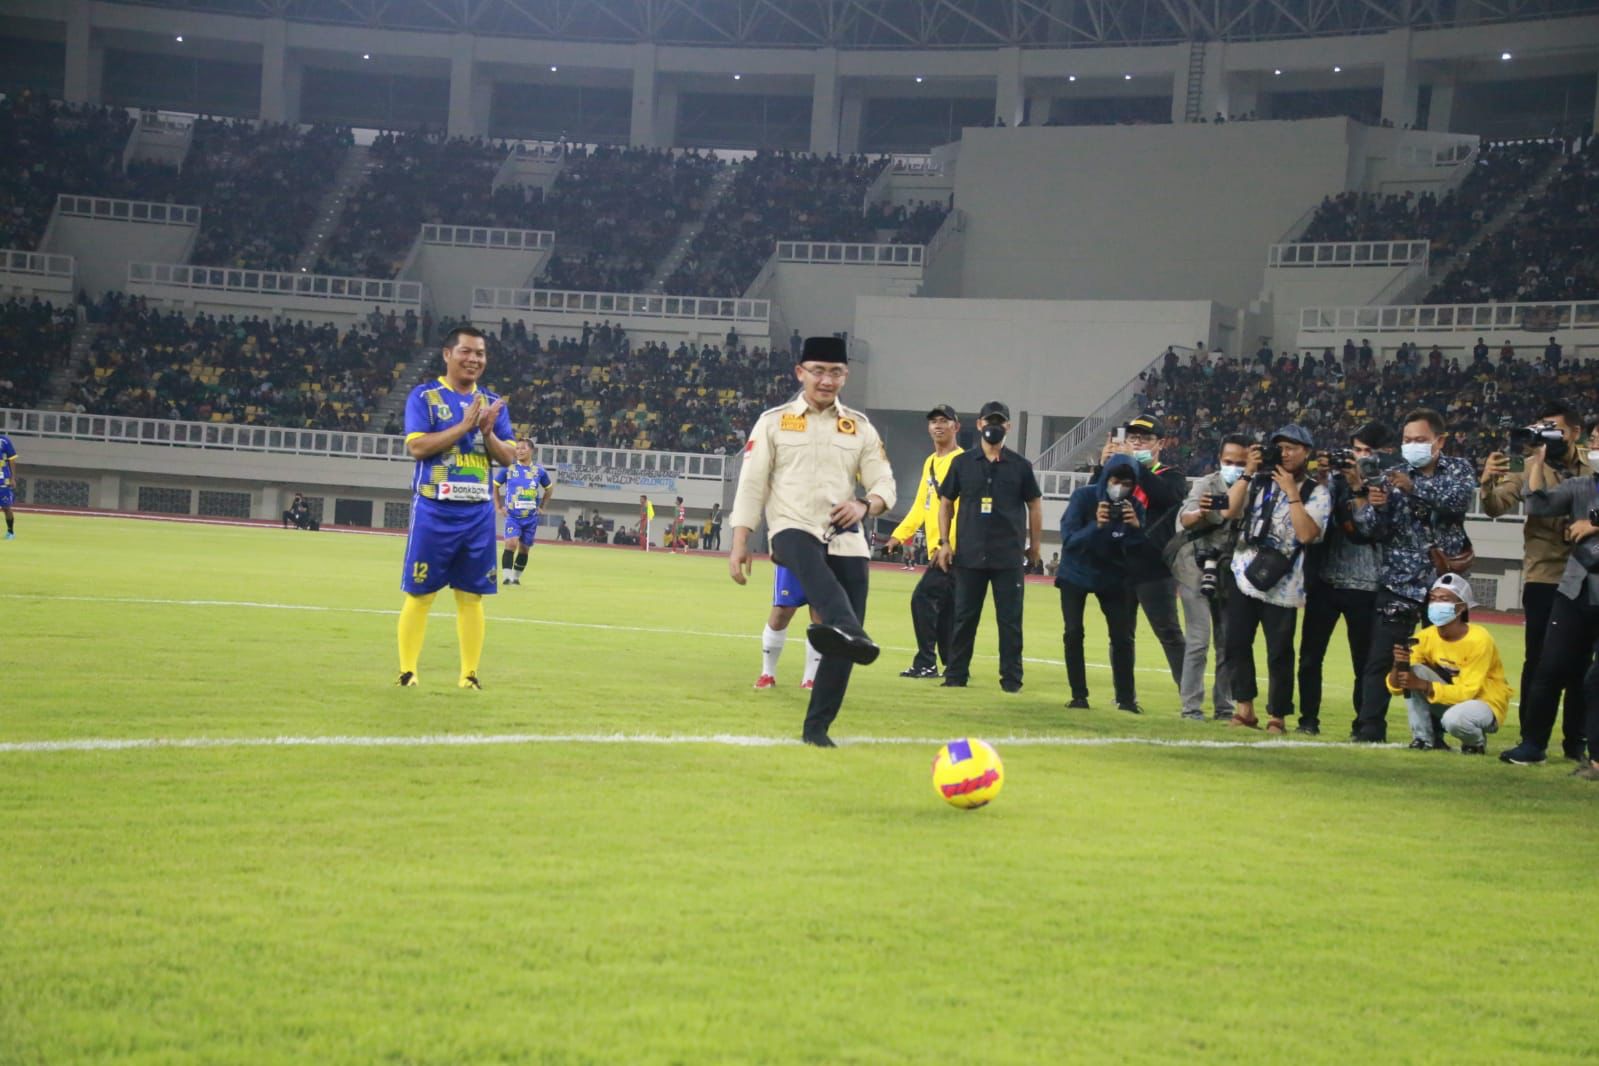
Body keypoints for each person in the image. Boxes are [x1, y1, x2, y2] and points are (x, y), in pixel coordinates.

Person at [728, 336, 896, 748]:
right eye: (818, 370)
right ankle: (853, 629)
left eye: (835, 372)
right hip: (792, 528)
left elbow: (884, 482)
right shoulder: (773, 421)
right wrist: (741, 540)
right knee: (830, 598)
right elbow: (751, 484)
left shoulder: (859, 426)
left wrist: (866, 504)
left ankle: (816, 729)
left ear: (846, 376)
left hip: (846, 538)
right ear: (800, 372)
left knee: (842, 643)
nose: (826, 380)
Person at [395, 325, 516, 690]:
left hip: (477, 513)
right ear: (448, 354)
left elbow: (509, 457)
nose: (473, 359)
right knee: (420, 591)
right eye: (466, 351)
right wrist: (463, 425)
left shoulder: (493, 403)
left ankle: (469, 675)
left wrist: (486, 432)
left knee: (472, 594)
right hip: (435, 508)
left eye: (479, 353)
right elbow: (417, 447)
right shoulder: (425, 396)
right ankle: (408, 672)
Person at [1350, 409, 1475, 743]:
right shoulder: (1390, 474)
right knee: (1381, 659)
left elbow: (1458, 501)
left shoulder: (1459, 470)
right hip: (1399, 581)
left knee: (1443, 661)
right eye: (1407, 440)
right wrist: (1375, 505)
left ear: (1440, 441)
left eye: (1420, 440)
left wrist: (1414, 487)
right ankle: (1369, 729)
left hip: (1443, 585)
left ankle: (1438, 732)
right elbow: (1373, 531)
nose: (1412, 446)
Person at [1480, 402, 1590, 763]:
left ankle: (1577, 740)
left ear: (1574, 432)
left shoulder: (1592, 464)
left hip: (1588, 574)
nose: (1545, 433)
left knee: (1582, 666)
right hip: (1546, 573)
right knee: (1542, 661)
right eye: (1541, 426)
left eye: (1553, 427)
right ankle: (1532, 736)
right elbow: (1497, 506)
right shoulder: (1528, 465)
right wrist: (1486, 484)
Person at [1224, 425, 1330, 733]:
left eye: (1292, 448)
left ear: (1307, 453)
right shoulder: (1257, 482)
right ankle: (1244, 710)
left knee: (1280, 651)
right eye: (1280, 447)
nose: (1284, 453)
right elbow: (1230, 511)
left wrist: (1292, 494)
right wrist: (1247, 472)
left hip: (1284, 581)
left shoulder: (1316, 492)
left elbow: (1308, 534)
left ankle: (1278, 716)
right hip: (1243, 569)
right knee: (1236, 644)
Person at [934, 401, 1043, 693]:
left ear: (1008, 426)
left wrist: (1034, 545)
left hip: (1008, 555)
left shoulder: (1020, 466)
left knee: (1010, 622)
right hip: (968, 554)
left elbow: (1034, 505)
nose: (994, 426)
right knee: (963, 618)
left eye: (1000, 422)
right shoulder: (963, 463)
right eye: (989, 421)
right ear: (980, 424)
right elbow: (946, 504)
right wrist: (944, 543)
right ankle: (956, 675)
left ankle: (1011, 680)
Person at [1297, 423, 1390, 736]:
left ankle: (1362, 723)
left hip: (1366, 584)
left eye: (1367, 451)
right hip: (1325, 580)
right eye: (1356, 449)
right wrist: (1323, 478)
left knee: (1363, 661)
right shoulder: (1332, 481)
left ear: (1383, 454)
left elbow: (1370, 529)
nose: (1359, 456)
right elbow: (1317, 519)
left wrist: (1359, 487)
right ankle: (1308, 719)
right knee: (1310, 657)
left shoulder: (1387, 485)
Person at [1056, 454, 1146, 712]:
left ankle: (1126, 699)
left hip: (1114, 576)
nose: (1121, 488)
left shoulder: (1135, 506)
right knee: (1073, 631)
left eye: (1127, 483)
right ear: (1106, 478)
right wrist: (1097, 525)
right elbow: (1070, 540)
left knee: (1122, 636)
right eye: (1116, 480)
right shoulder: (1083, 498)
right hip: (1075, 572)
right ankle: (1078, 696)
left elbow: (1138, 550)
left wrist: (1136, 529)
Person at [1170, 434, 1250, 722]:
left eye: (1241, 463)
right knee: (1199, 639)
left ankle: (1224, 705)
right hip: (1196, 566)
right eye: (1229, 462)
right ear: (1220, 460)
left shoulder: (1256, 487)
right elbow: (1184, 518)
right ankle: (1191, 707)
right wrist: (1202, 510)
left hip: (1234, 568)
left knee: (1227, 642)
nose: (1234, 467)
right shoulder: (1207, 483)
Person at [1388, 573, 1510, 754]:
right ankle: (1423, 739)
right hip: (1449, 698)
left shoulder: (1479, 639)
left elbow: (1469, 691)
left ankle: (1475, 742)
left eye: (1444, 600)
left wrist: (1423, 684)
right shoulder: (1425, 637)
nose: (1436, 604)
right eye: (1433, 599)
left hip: (1484, 703)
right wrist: (1399, 665)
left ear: (1461, 607)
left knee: (1454, 719)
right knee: (1415, 670)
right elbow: (1396, 688)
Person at [885, 404, 964, 679]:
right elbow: (922, 505)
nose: (938, 425)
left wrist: (947, 545)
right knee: (946, 611)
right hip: (941, 549)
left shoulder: (963, 462)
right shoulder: (930, 462)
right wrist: (898, 535)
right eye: (933, 421)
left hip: (951, 551)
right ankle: (954, 665)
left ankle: (926, 662)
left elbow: (960, 509)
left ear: (957, 427)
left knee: (922, 599)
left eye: (944, 421)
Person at [1107, 413, 1187, 687]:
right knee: (1120, 635)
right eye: (1133, 437)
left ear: (1160, 444)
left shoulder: (1171, 475)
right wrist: (1103, 467)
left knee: (1168, 632)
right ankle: (1124, 696)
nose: (1138, 443)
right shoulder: (1119, 474)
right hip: (1119, 565)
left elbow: (1166, 496)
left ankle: (1189, 694)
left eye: (1145, 438)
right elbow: (1097, 500)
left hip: (1154, 567)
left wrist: (1134, 465)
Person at [494, 438, 553, 586]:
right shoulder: (509, 468)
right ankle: (507, 577)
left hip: (531, 517)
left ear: (531, 450)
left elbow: (549, 488)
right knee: (511, 543)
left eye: (523, 448)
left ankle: (515, 577)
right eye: (517, 448)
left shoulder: (539, 471)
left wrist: (542, 506)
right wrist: (498, 506)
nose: (519, 451)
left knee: (524, 549)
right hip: (513, 516)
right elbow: (495, 485)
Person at [754, 565, 822, 690]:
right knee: (781, 613)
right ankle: (767, 674)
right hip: (793, 553)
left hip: (826, 554)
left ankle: (810, 679)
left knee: (820, 615)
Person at [0, 432, 16, 539]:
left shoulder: (4, 441)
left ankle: (10, 532)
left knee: (6, 507)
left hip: (3, 479)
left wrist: (13, 477)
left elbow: (12, 459)